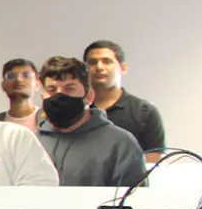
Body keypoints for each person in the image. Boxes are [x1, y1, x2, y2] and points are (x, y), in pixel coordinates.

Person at [36, 55, 145, 188]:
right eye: (51, 90)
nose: (59, 95)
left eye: (70, 89)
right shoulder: (33, 142)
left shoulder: (120, 144)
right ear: (43, 96)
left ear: (89, 96)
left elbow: (135, 202)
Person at [84, 40, 165, 163]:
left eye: (107, 61)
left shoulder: (144, 112)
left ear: (123, 68)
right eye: (93, 62)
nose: (99, 67)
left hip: (130, 181)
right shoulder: (76, 110)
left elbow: (153, 163)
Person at [0, 58, 40, 129]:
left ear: (37, 85)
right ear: (3, 85)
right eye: (11, 76)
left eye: (26, 75)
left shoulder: (50, 121)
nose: (18, 79)